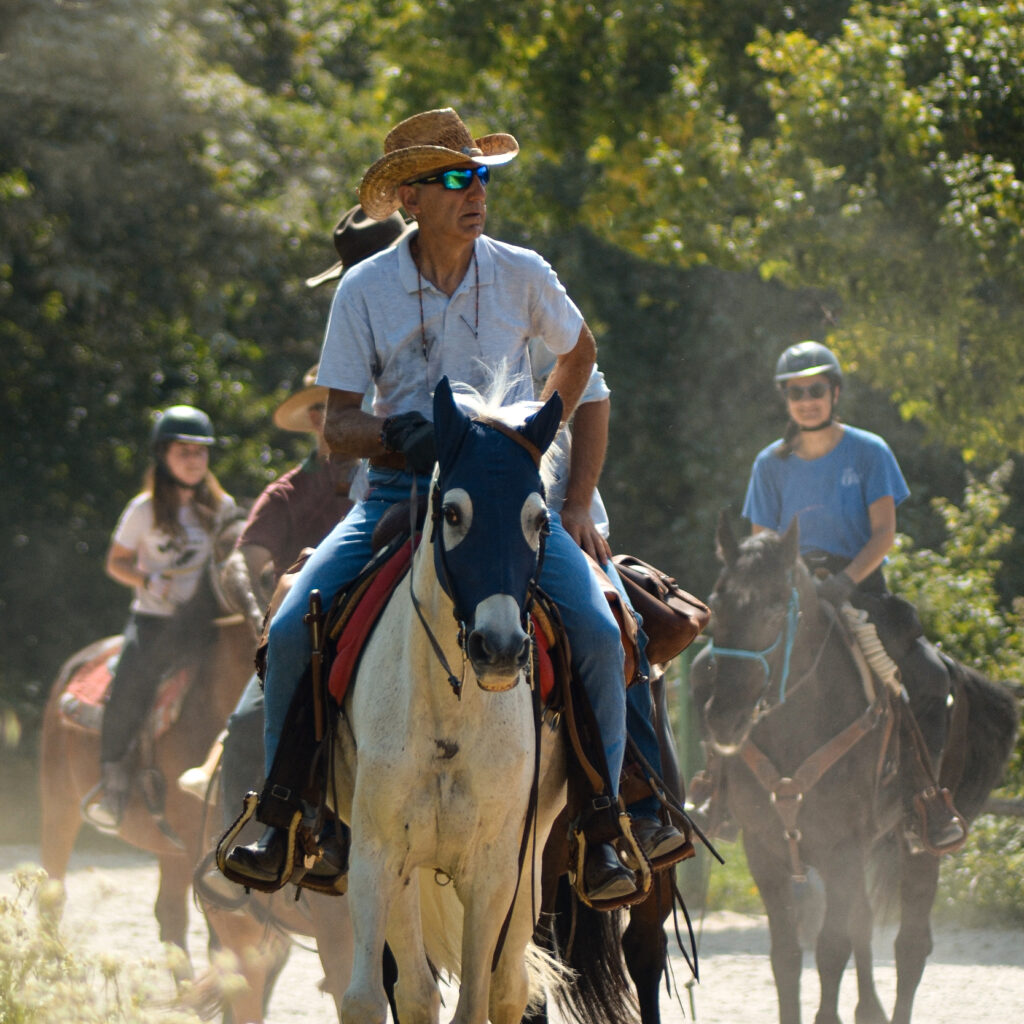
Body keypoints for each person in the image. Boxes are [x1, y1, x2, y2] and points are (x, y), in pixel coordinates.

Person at [225, 107, 686, 902]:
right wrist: (393, 435)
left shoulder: (523, 272)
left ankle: (613, 823)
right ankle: (288, 814)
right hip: (404, 492)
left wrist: (572, 495)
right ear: (409, 197)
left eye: (478, 175)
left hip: (511, 496)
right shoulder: (365, 290)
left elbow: (582, 355)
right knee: (295, 618)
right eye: (451, 177)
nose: (474, 190)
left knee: (602, 627)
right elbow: (334, 423)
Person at [178, 205, 411, 887]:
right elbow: (244, 560)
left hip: (436, 496)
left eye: (332, 406)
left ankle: (610, 811)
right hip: (352, 556)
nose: (327, 417)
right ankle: (268, 826)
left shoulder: (438, 310)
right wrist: (267, 600)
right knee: (254, 690)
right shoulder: (287, 492)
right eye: (320, 410)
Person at [740, 340, 966, 853]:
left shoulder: (869, 451)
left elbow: (884, 532)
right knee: (720, 663)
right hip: (791, 592)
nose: (807, 400)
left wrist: (843, 583)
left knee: (929, 677)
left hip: (860, 588)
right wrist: (791, 586)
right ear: (786, 399)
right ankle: (718, 791)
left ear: (835, 391)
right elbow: (762, 543)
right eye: (797, 392)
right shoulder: (768, 464)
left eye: (817, 389)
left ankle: (922, 803)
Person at [90, 405, 235, 829]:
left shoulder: (222, 507)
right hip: (153, 623)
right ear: (163, 457)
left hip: (205, 625)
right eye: (183, 451)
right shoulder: (142, 510)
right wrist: (144, 578)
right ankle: (113, 785)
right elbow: (115, 562)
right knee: (129, 686)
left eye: (201, 452)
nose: (194, 460)